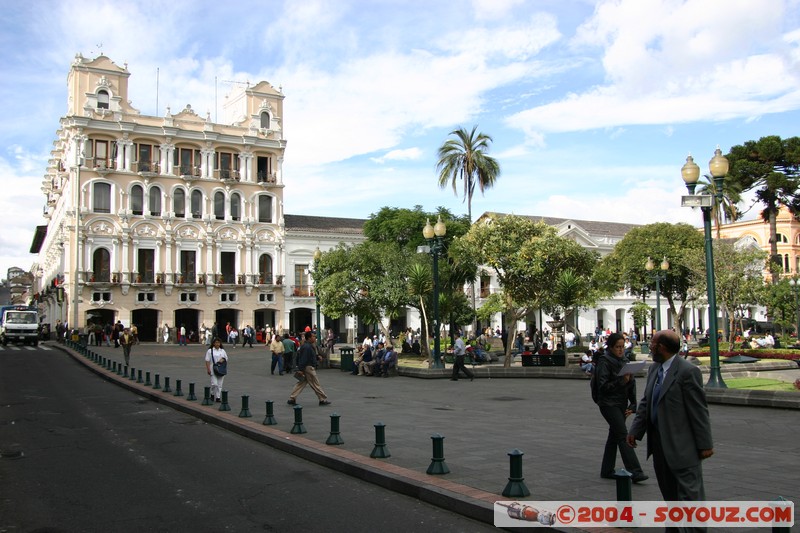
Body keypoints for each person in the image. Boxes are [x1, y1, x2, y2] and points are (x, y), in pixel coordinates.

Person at [627, 330, 713, 514]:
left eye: (653, 343)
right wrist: (635, 430)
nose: (649, 346)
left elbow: (698, 410)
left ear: (662, 347)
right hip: (659, 446)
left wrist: (705, 444)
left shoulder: (687, 372)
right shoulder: (654, 368)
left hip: (683, 447)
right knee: (670, 498)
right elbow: (646, 402)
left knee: (690, 500)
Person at [596, 332, 648, 483]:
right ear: (611, 347)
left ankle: (607, 469)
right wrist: (621, 380)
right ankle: (635, 471)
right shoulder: (604, 361)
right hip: (608, 403)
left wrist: (633, 403)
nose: (620, 350)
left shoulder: (624, 360)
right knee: (622, 435)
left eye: (622, 347)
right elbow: (603, 386)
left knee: (614, 435)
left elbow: (631, 384)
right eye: (617, 347)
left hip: (621, 403)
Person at [287, 331, 331, 406]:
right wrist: (300, 369)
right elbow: (304, 359)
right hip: (308, 367)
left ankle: (292, 398)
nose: (315, 338)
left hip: (306, 367)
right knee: (315, 383)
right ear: (309, 338)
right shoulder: (307, 347)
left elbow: (309, 356)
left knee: (301, 383)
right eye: (313, 336)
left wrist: (317, 357)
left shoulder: (307, 346)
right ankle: (322, 398)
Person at [204, 337, 229, 403]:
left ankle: (218, 397)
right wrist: (208, 369)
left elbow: (226, 358)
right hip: (213, 368)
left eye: (218, 342)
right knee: (214, 384)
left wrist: (223, 359)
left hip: (221, 368)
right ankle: (212, 393)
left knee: (220, 384)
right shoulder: (210, 351)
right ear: (213, 343)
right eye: (216, 342)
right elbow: (207, 360)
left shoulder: (222, 351)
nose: (217, 344)